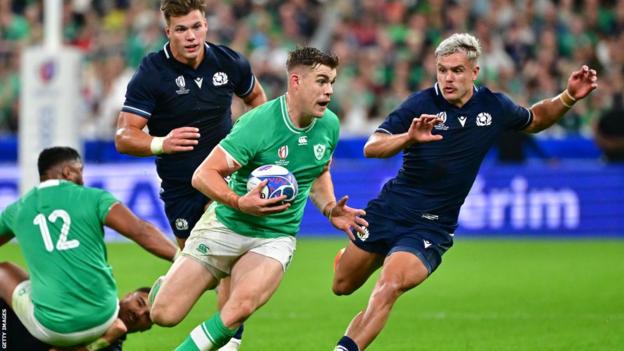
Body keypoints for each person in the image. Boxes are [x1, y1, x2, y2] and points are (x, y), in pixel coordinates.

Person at [331, 32, 598, 351]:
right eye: (442, 70)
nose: (448, 78)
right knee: (342, 286)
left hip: (431, 224)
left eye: (456, 70)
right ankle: (348, 259)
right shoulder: (420, 103)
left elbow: (536, 119)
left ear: (474, 71)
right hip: (389, 209)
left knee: (389, 285)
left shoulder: (493, 106)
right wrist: (409, 138)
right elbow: (372, 147)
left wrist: (568, 96)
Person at [149, 47, 368, 351]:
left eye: (331, 82)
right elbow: (203, 175)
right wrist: (239, 202)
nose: (329, 91)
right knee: (164, 314)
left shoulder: (329, 124)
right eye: (321, 81)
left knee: (240, 307)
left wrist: (330, 208)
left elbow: (317, 172)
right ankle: (165, 286)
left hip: (275, 236)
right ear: (296, 81)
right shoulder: (257, 123)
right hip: (227, 223)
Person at [114, 2, 266, 346]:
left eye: (196, 26)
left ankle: (230, 341)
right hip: (181, 187)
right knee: (205, 274)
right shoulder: (152, 73)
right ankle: (161, 288)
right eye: (181, 29)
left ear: (206, 25)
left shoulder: (229, 62)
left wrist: (251, 139)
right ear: (168, 32)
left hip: (225, 179)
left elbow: (257, 100)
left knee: (225, 255)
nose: (191, 36)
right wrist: (160, 143)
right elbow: (124, 136)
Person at [0, 146, 178, 350]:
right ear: (67, 172)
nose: (83, 181)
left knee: (3, 272)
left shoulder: (18, 209)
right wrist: (183, 259)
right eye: (80, 172)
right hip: (105, 315)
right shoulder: (94, 197)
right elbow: (141, 231)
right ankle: (101, 341)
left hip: (51, 327)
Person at [0, 267, 150, 351]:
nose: (139, 313)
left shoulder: (110, 349)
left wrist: (104, 340)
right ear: (128, 296)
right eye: (140, 303)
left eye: (148, 317)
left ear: (146, 329)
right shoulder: (94, 294)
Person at [593, 92, 624, 162]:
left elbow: (597, 137)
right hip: (609, 156)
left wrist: (611, 144)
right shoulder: (605, 117)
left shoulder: (604, 117)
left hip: (609, 156)